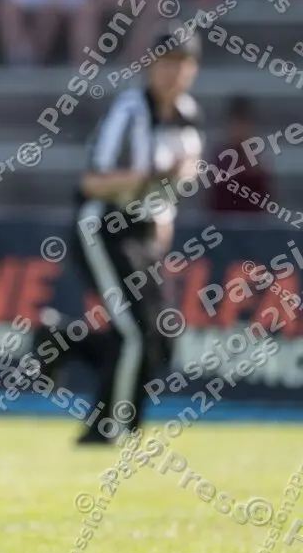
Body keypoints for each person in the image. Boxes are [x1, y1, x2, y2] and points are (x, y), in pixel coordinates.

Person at [30, 25, 204, 445]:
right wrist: (152, 178)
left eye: (181, 63)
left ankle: (60, 339)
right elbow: (92, 181)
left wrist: (163, 220)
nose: (172, 72)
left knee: (161, 334)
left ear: (193, 69)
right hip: (104, 224)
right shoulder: (130, 111)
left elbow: (175, 189)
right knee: (134, 332)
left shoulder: (188, 117)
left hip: (144, 229)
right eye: (165, 62)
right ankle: (109, 430)